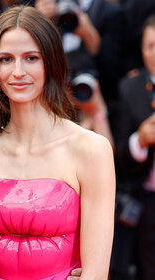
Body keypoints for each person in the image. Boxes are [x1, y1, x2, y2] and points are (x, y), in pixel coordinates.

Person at [0, 6, 115, 280]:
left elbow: (96, 273)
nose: (18, 71)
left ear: (51, 63)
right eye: (6, 59)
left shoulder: (91, 149)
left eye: (31, 58)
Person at [114, 14, 155, 280]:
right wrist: (139, 140)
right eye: (150, 45)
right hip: (148, 199)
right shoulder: (130, 87)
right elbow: (119, 154)